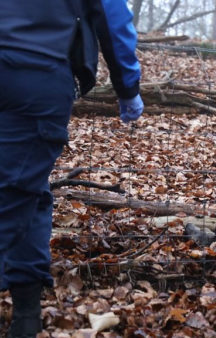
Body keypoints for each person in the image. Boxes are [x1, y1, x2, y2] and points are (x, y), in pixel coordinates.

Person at [0, 1, 143, 336]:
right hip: (38, 73)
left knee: (28, 190)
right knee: (12, 196)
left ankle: (26, 313)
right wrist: (128, 88)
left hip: (28, 68)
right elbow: (111, 14)